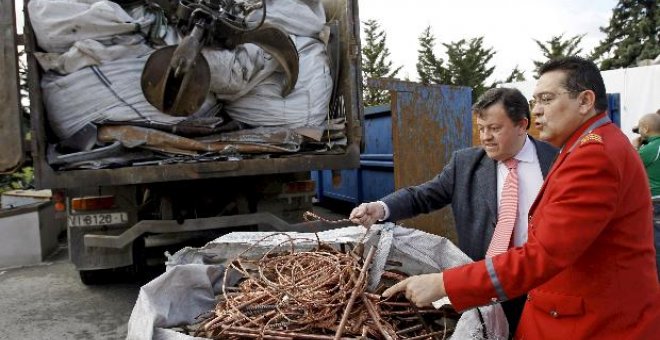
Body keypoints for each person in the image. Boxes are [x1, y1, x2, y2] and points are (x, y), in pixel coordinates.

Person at [382, 56, 660, 339]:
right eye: (535, 100)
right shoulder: (583, 148)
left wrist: (444, 283)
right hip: (529, 295)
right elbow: (425, 195)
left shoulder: (592, 157)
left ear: (585, 101)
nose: (538, 110)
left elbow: (544, 254)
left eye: (546, 99)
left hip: (586, 320)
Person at [349, 87, 558, 335]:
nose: (485, 137)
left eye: (494, 128)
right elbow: (422, 196)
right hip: (484, 288)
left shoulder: (557, 161)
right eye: (481, 128)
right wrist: (381, 208)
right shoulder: (465, 163)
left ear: (522, 125)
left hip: (543, 290)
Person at [634, 111, 660, 278]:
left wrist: (635, 145)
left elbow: (628, 163)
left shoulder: (650, 149)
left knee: (656, 245)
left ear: (645, 128)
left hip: (655, 202)